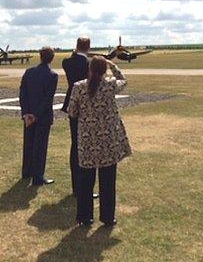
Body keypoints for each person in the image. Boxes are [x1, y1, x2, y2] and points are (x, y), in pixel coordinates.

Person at [68, 56, 131, 227]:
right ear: (104, 71)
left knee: (85, 181)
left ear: (89, 69)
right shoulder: (110, 85)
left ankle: (84, 216)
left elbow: (72, 111)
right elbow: (123, 81)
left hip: (88, 141)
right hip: (108, 140)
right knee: (108, 182)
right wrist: (113, 66)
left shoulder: (79, 87)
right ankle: (108, 217)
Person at [62, 37, 97, 199]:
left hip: (72, 105)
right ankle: (85, 187)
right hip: (87, 107)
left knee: (75, 145)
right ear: (88, 47)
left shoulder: (66, 62)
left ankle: (76, 187)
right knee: (88, 145)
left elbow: (71, 59)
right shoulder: (89, 64)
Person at [19, 46, 58, 186]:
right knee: (40, 147)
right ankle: (38, 177)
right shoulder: (52, 75)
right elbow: (48, 99)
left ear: (40, 56)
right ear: (52, 58)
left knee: (28, 144)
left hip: (28, 115)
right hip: (42, 117)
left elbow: (23, 94)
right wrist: (36, 115)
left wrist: (26, 113)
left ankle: (26, 172)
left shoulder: (29, 72)